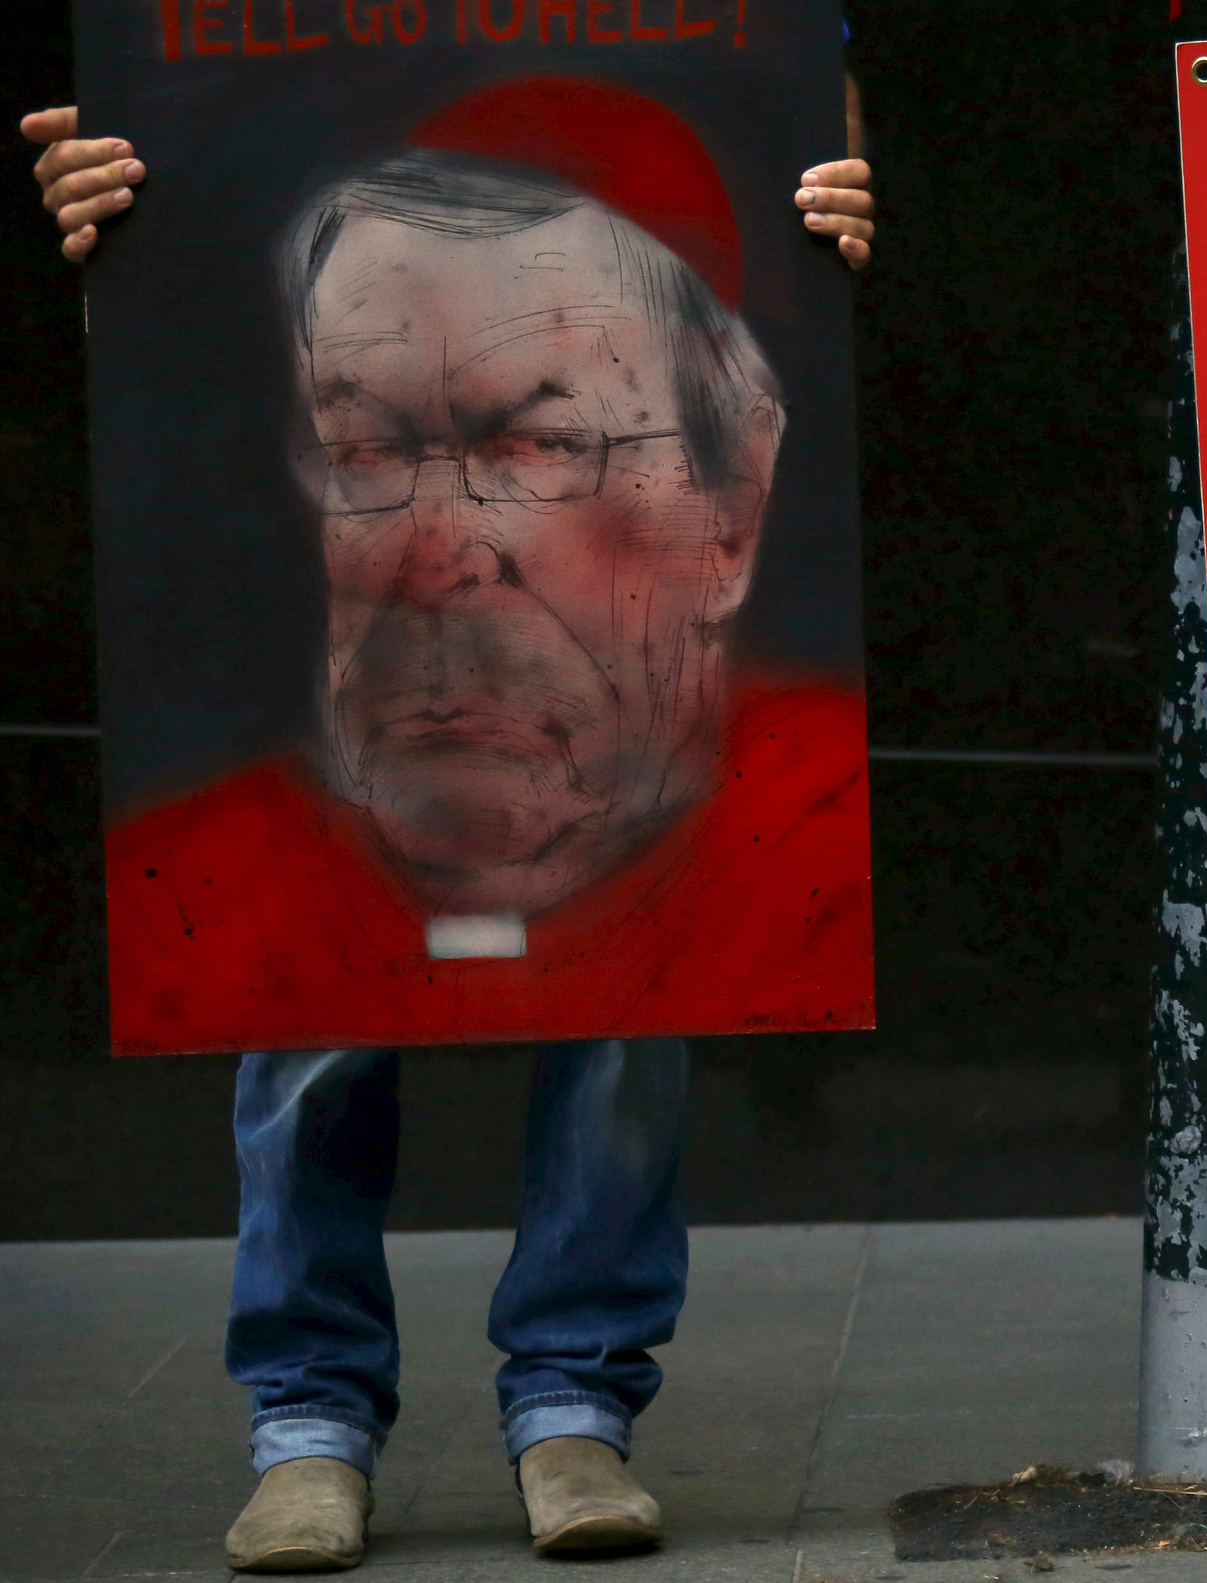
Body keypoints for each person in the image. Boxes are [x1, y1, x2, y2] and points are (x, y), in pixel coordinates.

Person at [21, 77, 876, 1571]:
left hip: (688, 850)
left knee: (628, 1018)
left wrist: (832, 196)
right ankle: (308, 1427)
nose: (435, 556)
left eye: (538, 447)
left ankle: (574, 1406)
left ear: (729, 499)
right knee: (300, 1038)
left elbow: (812, 105)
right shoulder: (230, 844)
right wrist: (121, 237)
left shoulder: (773, 823)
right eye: (363, 451)